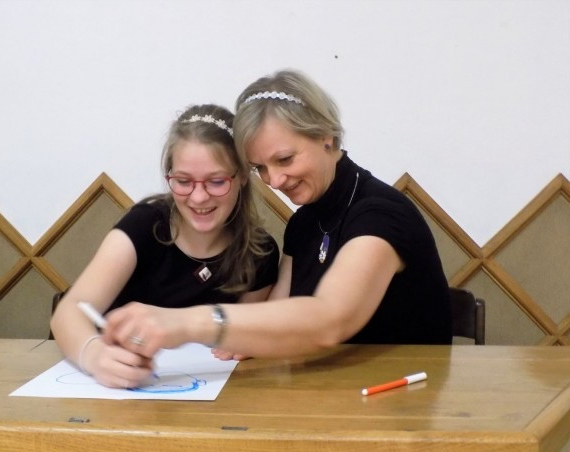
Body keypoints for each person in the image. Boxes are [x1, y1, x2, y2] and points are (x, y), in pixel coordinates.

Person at [101, 70, 452, 363]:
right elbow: (277, 312)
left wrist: (187, 323)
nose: (275, 180)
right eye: (260, 168)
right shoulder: (303, 223)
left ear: (326, 137)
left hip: (403, 401)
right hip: (332, 397)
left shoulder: (381, 215)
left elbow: (329, 319)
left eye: (284, 159)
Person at [50, 104, 280, 387]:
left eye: (216, 181)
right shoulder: (145, 225)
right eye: (183, 181)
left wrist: (246, 342)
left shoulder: (259, 253)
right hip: (118, 391)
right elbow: (69, 311)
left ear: (243, 176)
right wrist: (94, 355)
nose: (198, 197)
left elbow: (241, 341)